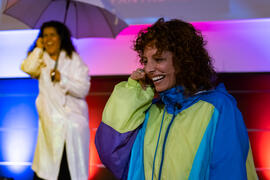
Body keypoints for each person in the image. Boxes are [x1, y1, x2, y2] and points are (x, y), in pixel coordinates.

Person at [95, 18, 258, 180]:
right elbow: (112, 152)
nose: (149, 69)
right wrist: (135, 91)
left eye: (158, 59)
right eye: (145, 61)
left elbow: (229, 172)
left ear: (182, 61)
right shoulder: (152, 111)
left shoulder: (218, 107)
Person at [21, 21, 90, 180]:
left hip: (72, 126)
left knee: (68, 171)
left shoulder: (74, 60)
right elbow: (27, 68)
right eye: (45, 36)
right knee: (47, 172)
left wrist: (62, 78)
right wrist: (38, 48)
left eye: (52, 35)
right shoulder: (41, 58)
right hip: (50, 127)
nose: (48, 39)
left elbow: (83, 89)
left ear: (61, 37)